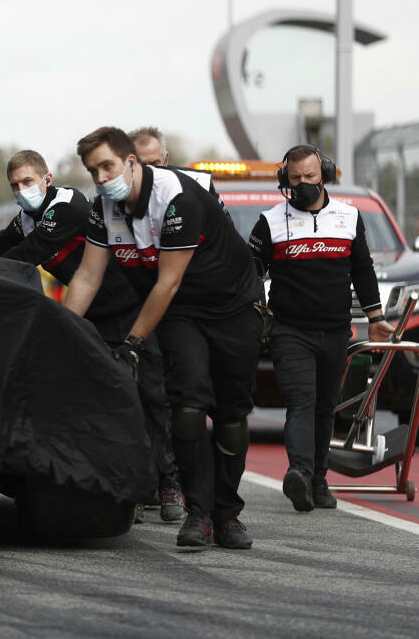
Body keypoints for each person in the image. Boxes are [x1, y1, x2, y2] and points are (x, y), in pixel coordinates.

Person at [65, 127, 263, 549]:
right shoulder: (104, 208)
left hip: (232, 307)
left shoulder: (177, 197)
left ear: (131, 162)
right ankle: (200, 515)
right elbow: (87, 275)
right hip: (181, 312)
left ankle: (229, 515)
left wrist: (132, 344)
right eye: (93, 171)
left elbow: (167, 282)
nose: (101, 178)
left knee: (230, 417)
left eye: (108, 167)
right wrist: (57, 330)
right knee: (188, 409)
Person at [0, 149, 185, 523]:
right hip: (93, 319)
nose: (22, 191)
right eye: (14, 186)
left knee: (152, 396)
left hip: (133, 308)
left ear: (46, 179)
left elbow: (27, 253)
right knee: (106, 400)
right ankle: (130, 488)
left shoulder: (67, 205)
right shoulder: (25, 220)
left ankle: (169, 484)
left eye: (27, 182)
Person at [248, 144, 394, 512]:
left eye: (310, 177)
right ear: (285, 179)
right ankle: (298, 472)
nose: (302, 184)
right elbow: (250, 273)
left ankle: (318, 480)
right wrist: (254, 314)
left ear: (324, 174)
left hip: (334, 331)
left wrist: (376, 319)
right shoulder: (270, 221)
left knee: (325, 407)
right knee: (302, 401)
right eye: (294, 178)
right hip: (289, 331)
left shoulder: (348, 216)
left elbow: (362, 270)